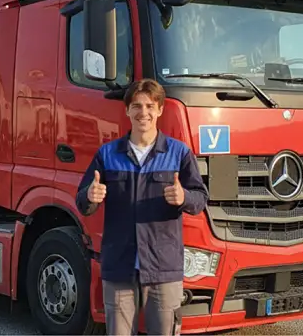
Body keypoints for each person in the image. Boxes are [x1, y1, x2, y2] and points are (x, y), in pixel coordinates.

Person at [75, 78, 209, 335]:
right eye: (136, 106)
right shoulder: (107, 154)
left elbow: (200, 199)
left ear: (160, 110)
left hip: (163, 266)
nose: (143, 112)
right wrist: (90, 196)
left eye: (150, 106)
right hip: (119, 265)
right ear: (127, 110)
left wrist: (184, 197)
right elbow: (82, 202)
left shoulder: (179, 153)